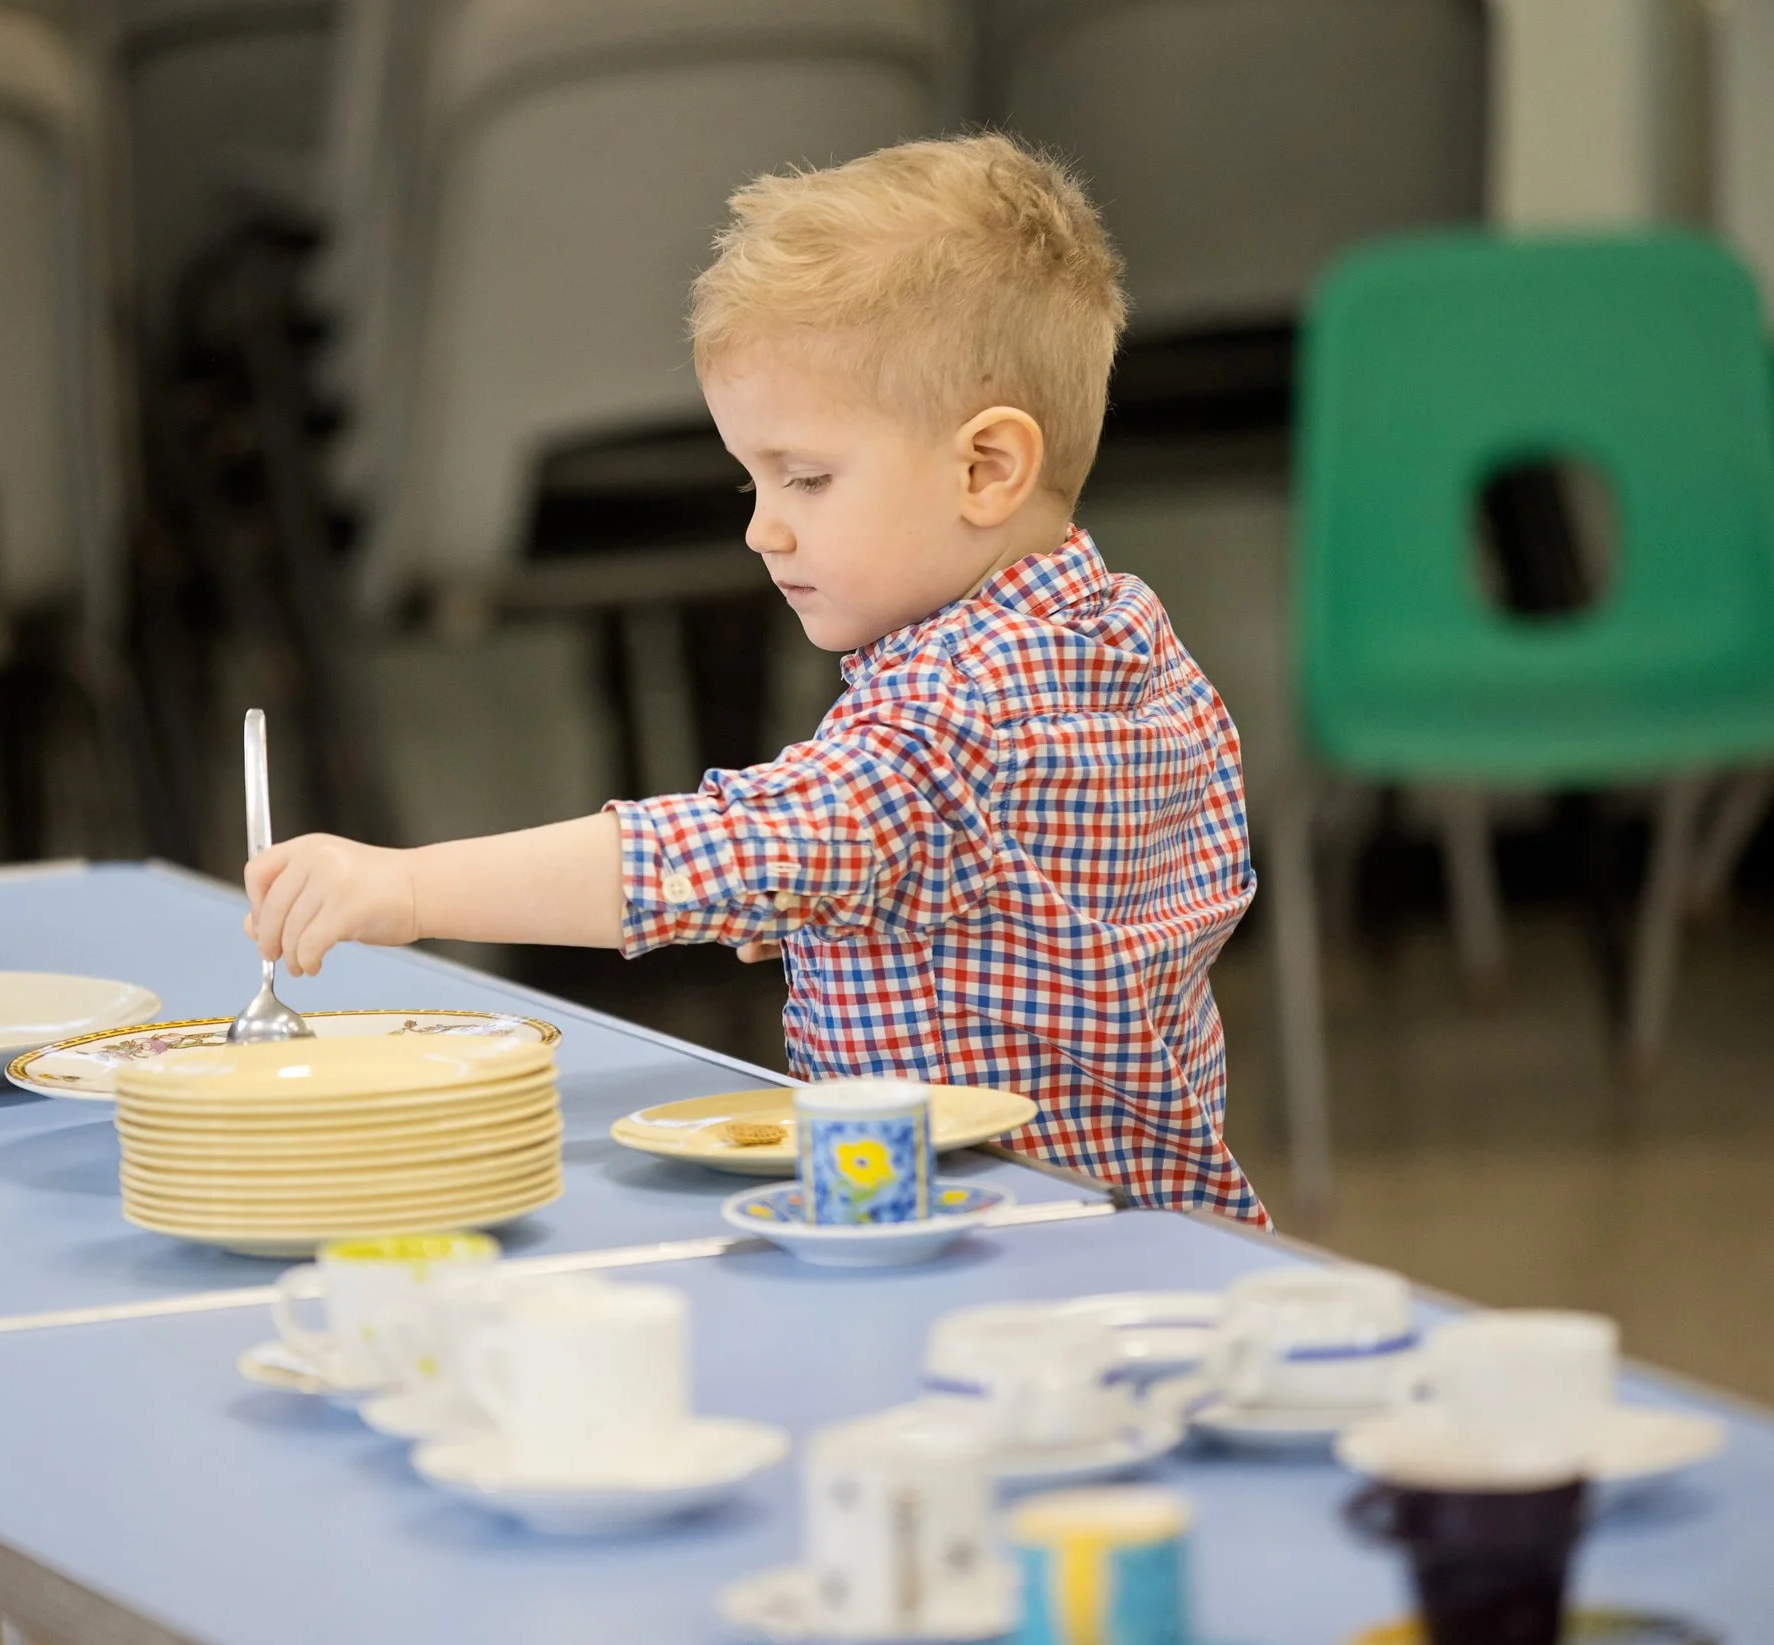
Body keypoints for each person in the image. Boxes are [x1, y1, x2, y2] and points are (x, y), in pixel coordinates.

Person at [245, 135, 1263, 1222]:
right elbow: (991, 890)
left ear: (986, 467)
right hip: (1155, 1226)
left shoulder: (947, 719)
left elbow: (704, 854)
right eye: (751, 477)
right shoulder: (1124, 633)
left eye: (807, 477)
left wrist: (407, 890)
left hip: (986, 1236)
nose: (761, 528)